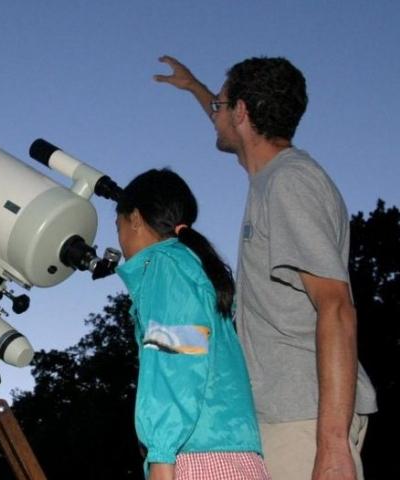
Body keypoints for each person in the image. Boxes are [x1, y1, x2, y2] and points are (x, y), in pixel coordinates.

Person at [153, 55, 377, 480]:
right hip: (285, 415)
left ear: (241, 112)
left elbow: (336, 307)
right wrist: (196, 88)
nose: (215, 115)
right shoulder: (272, 177)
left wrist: (331, 445)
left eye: (220, 105)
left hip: (304, 419)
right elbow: (228, 124)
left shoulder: (289, 183)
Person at [115, 168, 269, 480]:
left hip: (200, 458)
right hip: (231, 455)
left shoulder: (166, 266)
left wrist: (161, 456)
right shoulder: (192, 266)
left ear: (135, 218)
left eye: (118, 226)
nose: (119, 241)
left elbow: (176, 362)